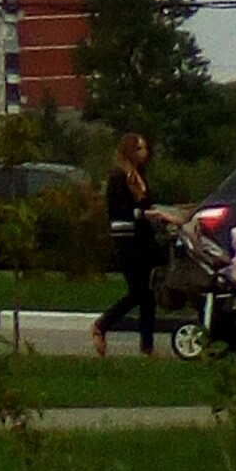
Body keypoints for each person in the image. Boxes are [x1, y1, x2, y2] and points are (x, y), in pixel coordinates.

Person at [94, 132, 168, 357]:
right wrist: (143, 214)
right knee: (138, 291)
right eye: (140, 148)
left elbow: (146, 204)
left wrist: (158, 213)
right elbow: (120, 211)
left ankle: (147, 346)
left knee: (148, 294)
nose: (145, 153)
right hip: (126, 239)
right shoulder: (119, 178)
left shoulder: (139, 177)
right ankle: (102, 324)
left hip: (142, 238)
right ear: (130, 150)